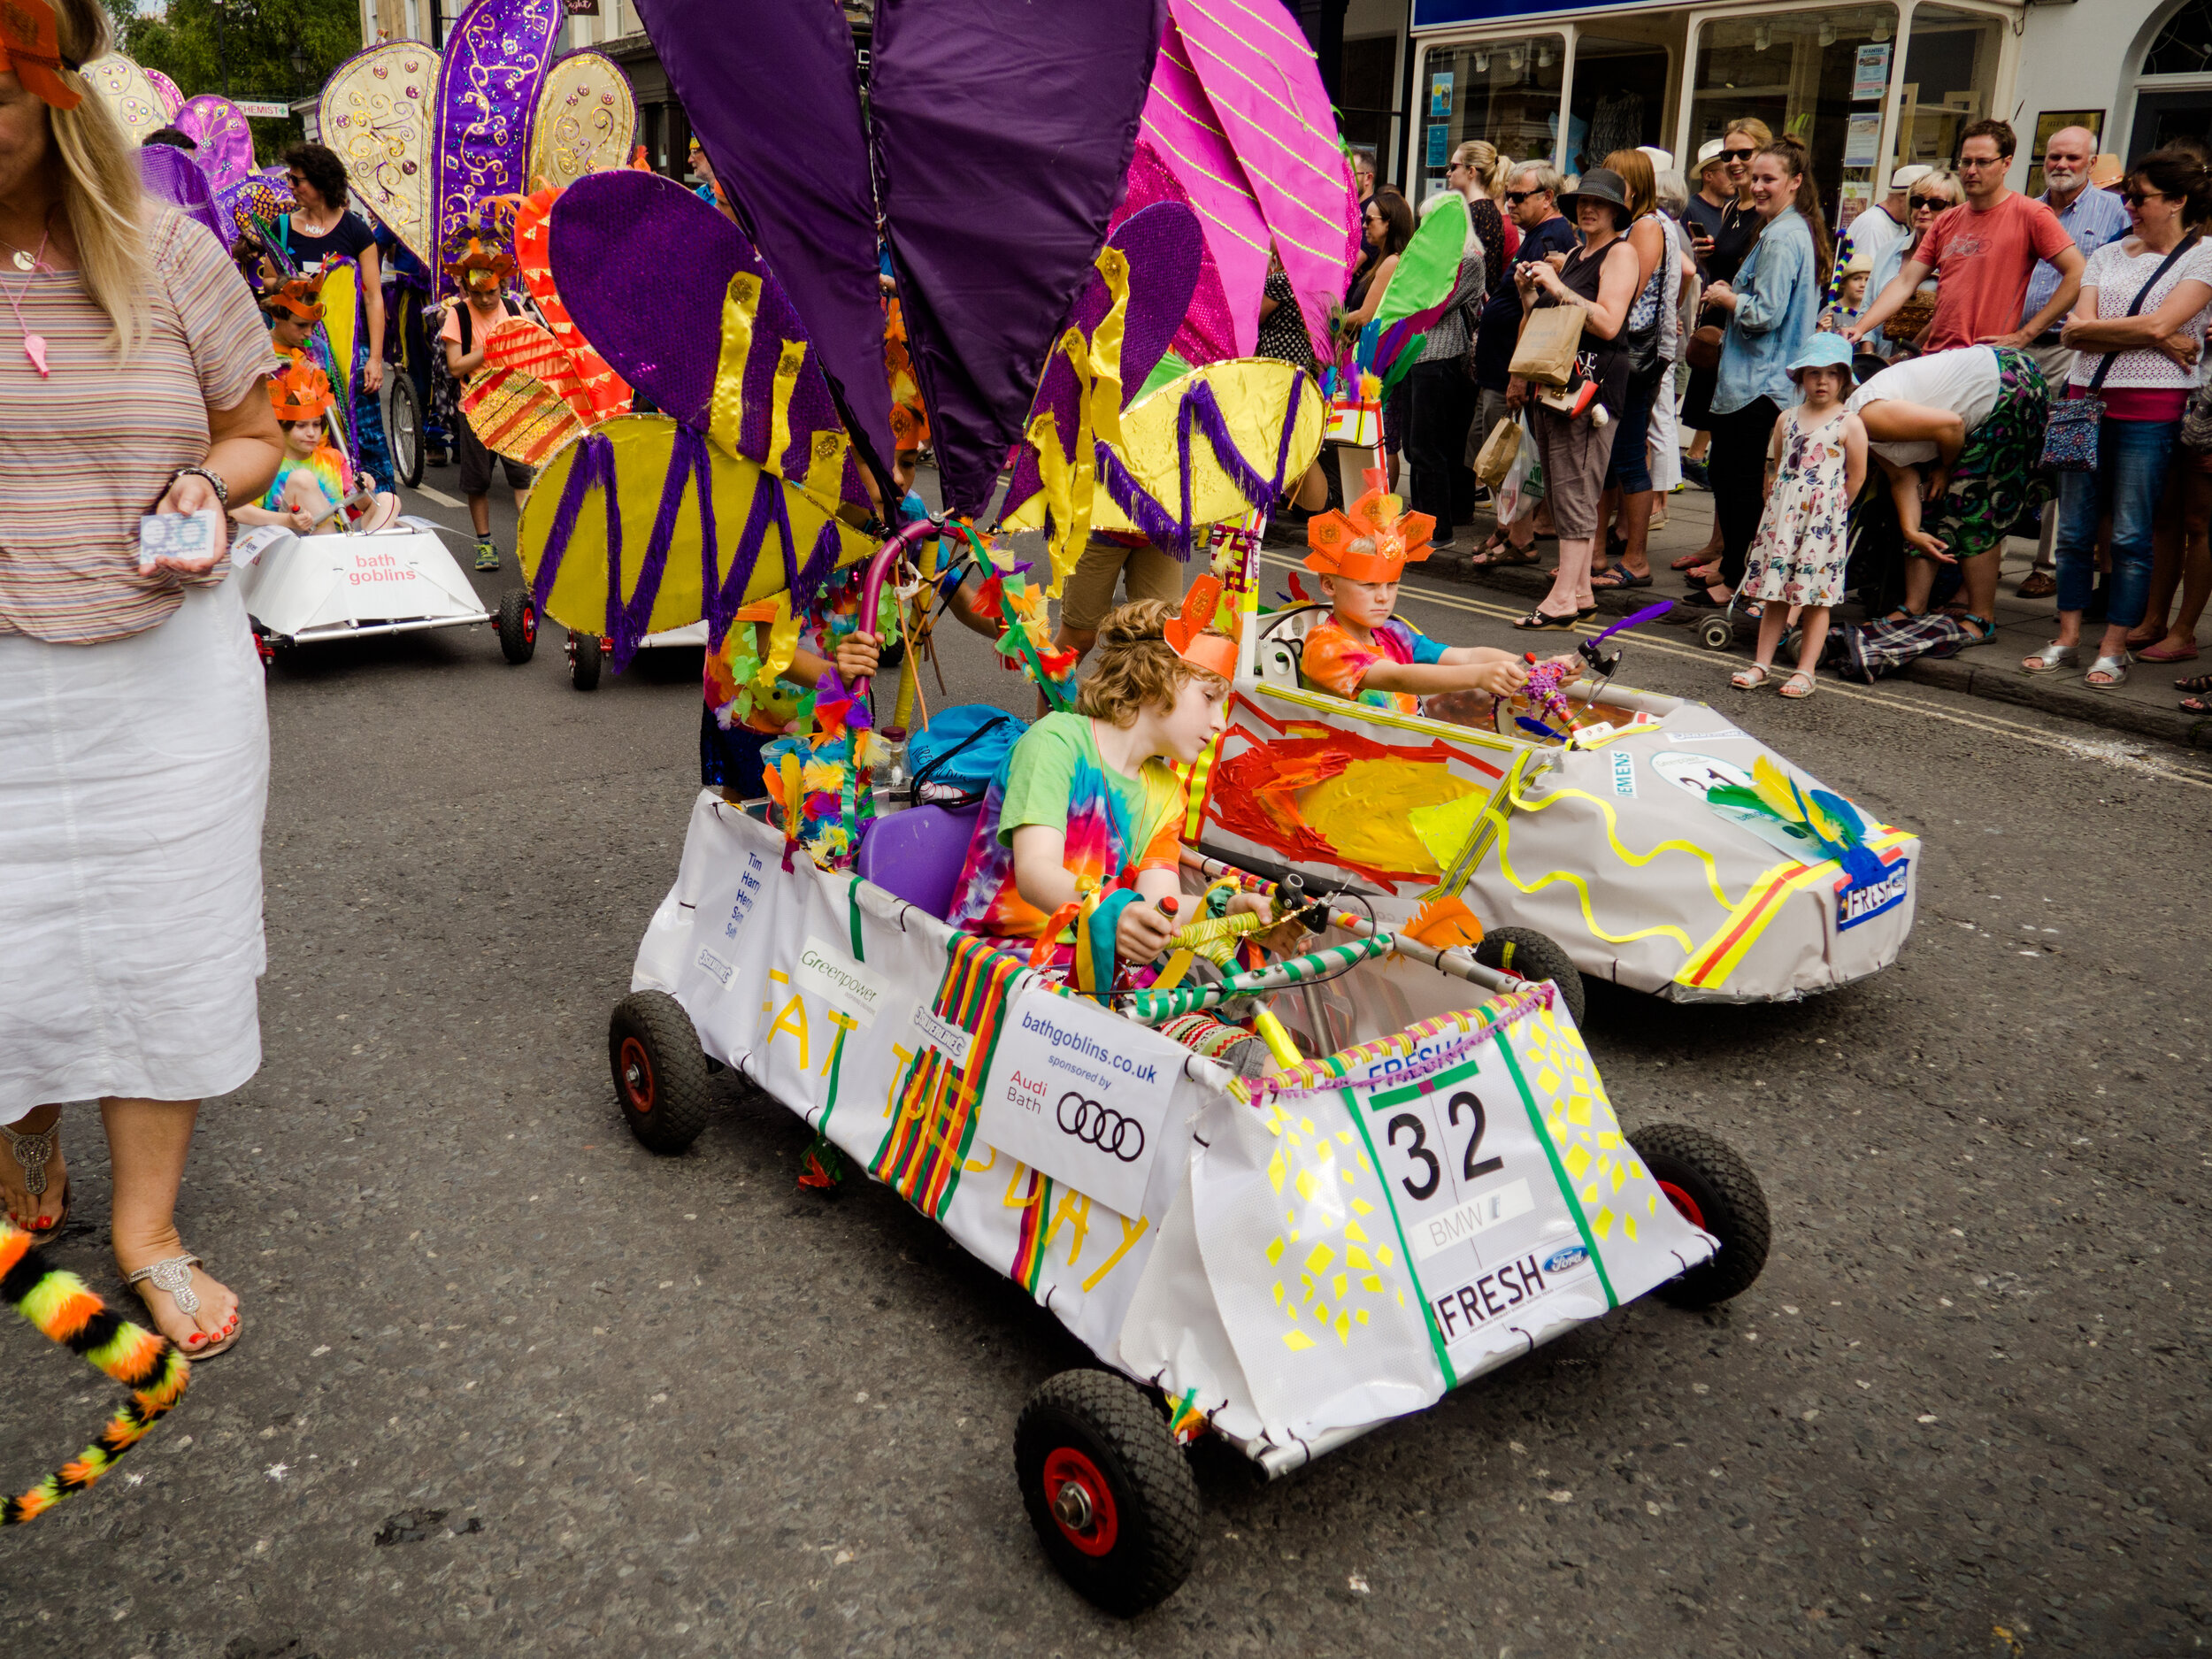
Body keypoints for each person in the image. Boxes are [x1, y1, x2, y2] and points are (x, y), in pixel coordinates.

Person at [0, 0, 285, 1357]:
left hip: (164, 682)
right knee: (13, 958)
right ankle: (25, 1141)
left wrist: (207, 489)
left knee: (162, 947)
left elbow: (256, 429)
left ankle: (149, 1232)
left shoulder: (167, 253)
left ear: (56, 102)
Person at [944, 597, 1270, 972]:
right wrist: (1115, 913)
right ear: (1154, 679)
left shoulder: (1166, 791)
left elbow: (1159, 903)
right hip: (1002, 960)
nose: (1220, 724)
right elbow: (1036, 873)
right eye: (1210, 697)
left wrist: (1229, 910)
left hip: (1094, 965)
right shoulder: (1055, 742)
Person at [2024, 147, 2212, 688]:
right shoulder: (2106, 255)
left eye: (2139, 197)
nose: (2127, 204)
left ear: (2177, 201)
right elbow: (2072, 331)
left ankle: (2112, 647)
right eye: (2127, 194)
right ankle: (2066, 636)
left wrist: (2153, 332)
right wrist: (2156, 334)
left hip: (2150, 408)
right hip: (2084, 397)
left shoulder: (2203, 257)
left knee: (2132, 534)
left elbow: (2151, 327)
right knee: (2075, 532)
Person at [1686, 137, 1827, 609]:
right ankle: (1739, 575)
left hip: (1759, 385)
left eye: (1770, 179)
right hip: (1757, 381)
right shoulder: (1782, 229)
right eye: (1757, 178)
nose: (1760, 186)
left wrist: (1728, 299)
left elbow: (1766, 313)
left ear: (1795, 182)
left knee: (1737, 483)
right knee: (1731, 479)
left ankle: (1737, 580)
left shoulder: (1784, 235)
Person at [1506, 166, 1642, 628]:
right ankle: (1580, 591)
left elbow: (1607, 323)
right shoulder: (1581, 252)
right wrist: (1531, 294)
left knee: (1574, 490)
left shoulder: (1620, 254)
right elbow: (1554, 323)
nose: (1587, 209)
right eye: (1582, 202)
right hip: (1561, 385)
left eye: (1599, 204)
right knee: (1566, 487)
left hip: (1591, 391)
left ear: (1616, 212)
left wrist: (1560, 286)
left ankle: (1562, 596)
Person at [1845, 342, 2053, 641]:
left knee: (1974, 506)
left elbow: (1951, 427)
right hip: (1989, 388)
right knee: (1928, 498)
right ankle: (1913, 608)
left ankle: (1982, 619)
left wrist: (1944, 468)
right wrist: (1911, 531)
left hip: (2007, 384)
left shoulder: (1865, 415)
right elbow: (1904, 481)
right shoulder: (1861, 429)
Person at [1298, 468, 1547, 712]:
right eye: (1368, 585)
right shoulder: (1326, 646)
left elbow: (1466, 657)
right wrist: (1480, 676)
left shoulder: (1392, 631)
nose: (1383, 596)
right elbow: (1399, 678)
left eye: (1391, 584)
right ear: (1329, 585)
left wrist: (1539, 668)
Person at [2018, 125, 2139, 598]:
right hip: (2017, 342)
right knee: (2011, 440)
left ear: (2091, 163)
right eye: (2054, 157)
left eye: (2072, 158)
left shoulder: (2113, 213)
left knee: (2065, 448)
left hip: (2076, 347)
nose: (2061, 165)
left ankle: (2046, 565)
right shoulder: (2025, 209)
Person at [1849, 119, 2085, 358]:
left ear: (2006, 164)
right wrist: (1859, 329)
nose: (1971, 171)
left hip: (1986, 359)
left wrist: (2025, 334)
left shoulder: (2030, 214)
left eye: (1983, 162)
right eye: (1966, 162)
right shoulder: (1946, 221)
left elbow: (2077, 272)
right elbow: (1905, 282)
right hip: (1935, 356)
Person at [1729, 336, 1866, 698]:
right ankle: (1761, 663)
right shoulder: (1786, 419)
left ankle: (1805, 671)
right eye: (1814, 373)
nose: (1823, 381)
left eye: (1832, 374)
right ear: (1800, 378)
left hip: (1822, 523)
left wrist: (1832, 509)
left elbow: (1857, 476)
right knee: (1776, 593)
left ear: (1844, 380)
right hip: (1784, 519)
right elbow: (1777, 466)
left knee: (1815, 597)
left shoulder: (1849, 423)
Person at [1467, 162, 1578, 565]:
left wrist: (1517, 375)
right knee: (1499, 452)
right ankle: (1508, 531)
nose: (1509, 204)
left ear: (1547, 198)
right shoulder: (1538, 234)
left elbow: (1538, 313)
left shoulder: (1551, 237)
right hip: (1499, 365)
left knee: (1510, 454)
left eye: (1518, 197)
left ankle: (1520, 539)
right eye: (1507, 195)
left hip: (1512, 369)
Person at [277, 142, 390, 490]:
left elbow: (372, 298)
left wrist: (375, 359)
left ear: (322, 182)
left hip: (350, 357)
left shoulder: (355, 230)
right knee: (308, 439)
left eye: (298, 180)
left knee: (365, 440)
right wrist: (288, 282)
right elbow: (268, 285)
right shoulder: (281, 227)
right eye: (290, 179)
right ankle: (316, 506)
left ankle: (380, 518)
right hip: (298, 357)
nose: (291, 187)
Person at [701, 585, 882, 800]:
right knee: (745, 797)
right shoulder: (768, 553)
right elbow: (770, 647)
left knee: (824, 794)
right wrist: (836, 675)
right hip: (749, 693)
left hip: (822, 688)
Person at [1585, 149, 1671, 590]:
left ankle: (1635, 560)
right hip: (1615, 354)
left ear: (1631, 187)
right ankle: (1595, 555)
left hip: (1634, 358)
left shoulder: (1647, 226)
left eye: (1612, 182)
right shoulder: (1630, 228)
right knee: (1606, 461)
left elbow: (1628, 294)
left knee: (1628, 457)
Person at [1678, 123, 1770, 494]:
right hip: (1716, 325)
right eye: (1727, 154)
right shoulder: (1732, 205)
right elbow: (1729, 270)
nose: (1733, 162)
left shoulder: (1767, 213)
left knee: (1739, 451)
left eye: (1743, 154)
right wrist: (1708, 259)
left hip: (1742, 329)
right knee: (1721, 439)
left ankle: (1732, 545)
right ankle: (1717, 543)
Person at [438, 227, 534, 571]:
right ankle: (485, 543)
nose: (485, 301)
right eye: (477, 294)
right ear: (466, 288)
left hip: (512, 407)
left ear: (501, 285)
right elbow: (455, 365)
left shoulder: (513, 308)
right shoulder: (458, 314)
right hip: (475, 408)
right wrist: (488, 349)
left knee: (523, 479)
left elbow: (527, 354)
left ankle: (530, 544)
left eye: (491, 292)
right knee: (477, 481)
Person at [231, 359, 401, 535]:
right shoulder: (267, 463)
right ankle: (338, 551)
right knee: (302, 479)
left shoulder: (333, 458)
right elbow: (236, 510)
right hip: (291, 540)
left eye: (316, 425)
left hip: (340, 537)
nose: (311, 433)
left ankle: (366, 558)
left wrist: (363, 488)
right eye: (301, 426)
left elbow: (361, 505)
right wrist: (286, 520)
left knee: (389, 500)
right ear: (282, 427)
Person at [1404, 190, 1486, 549]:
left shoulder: (1468, 260)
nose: (1423, 229)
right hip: (1416, 356)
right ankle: (1421, 520)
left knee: (1429, 447)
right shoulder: (1436, 257)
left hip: (1440, 359)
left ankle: (1438, 529)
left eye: (1430, 221)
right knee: (1414, 446)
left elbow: (1431, 303)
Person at [1342, 189, 1414, 488]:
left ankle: (1383, 508)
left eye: (1370, 220)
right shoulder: (1382, 260)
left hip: (1382, 361)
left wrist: (1327, 321)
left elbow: (1365, 316)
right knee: (1375, 433)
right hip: (1375, 358)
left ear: (1389, 223)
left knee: (1383, 437)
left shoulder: (1392, 262)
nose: (1364, 226)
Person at [1860, 170, 1963, 357]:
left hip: (1929, 365)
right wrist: (1870, 358)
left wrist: (1902, 358)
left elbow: (1947, 317)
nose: (1924, 209)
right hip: (1878, 365)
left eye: (1936, 204)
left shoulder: (1959, 259)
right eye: (1917, 201)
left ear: (1954, 209)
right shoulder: (1888, 251)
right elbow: (1867, 306)